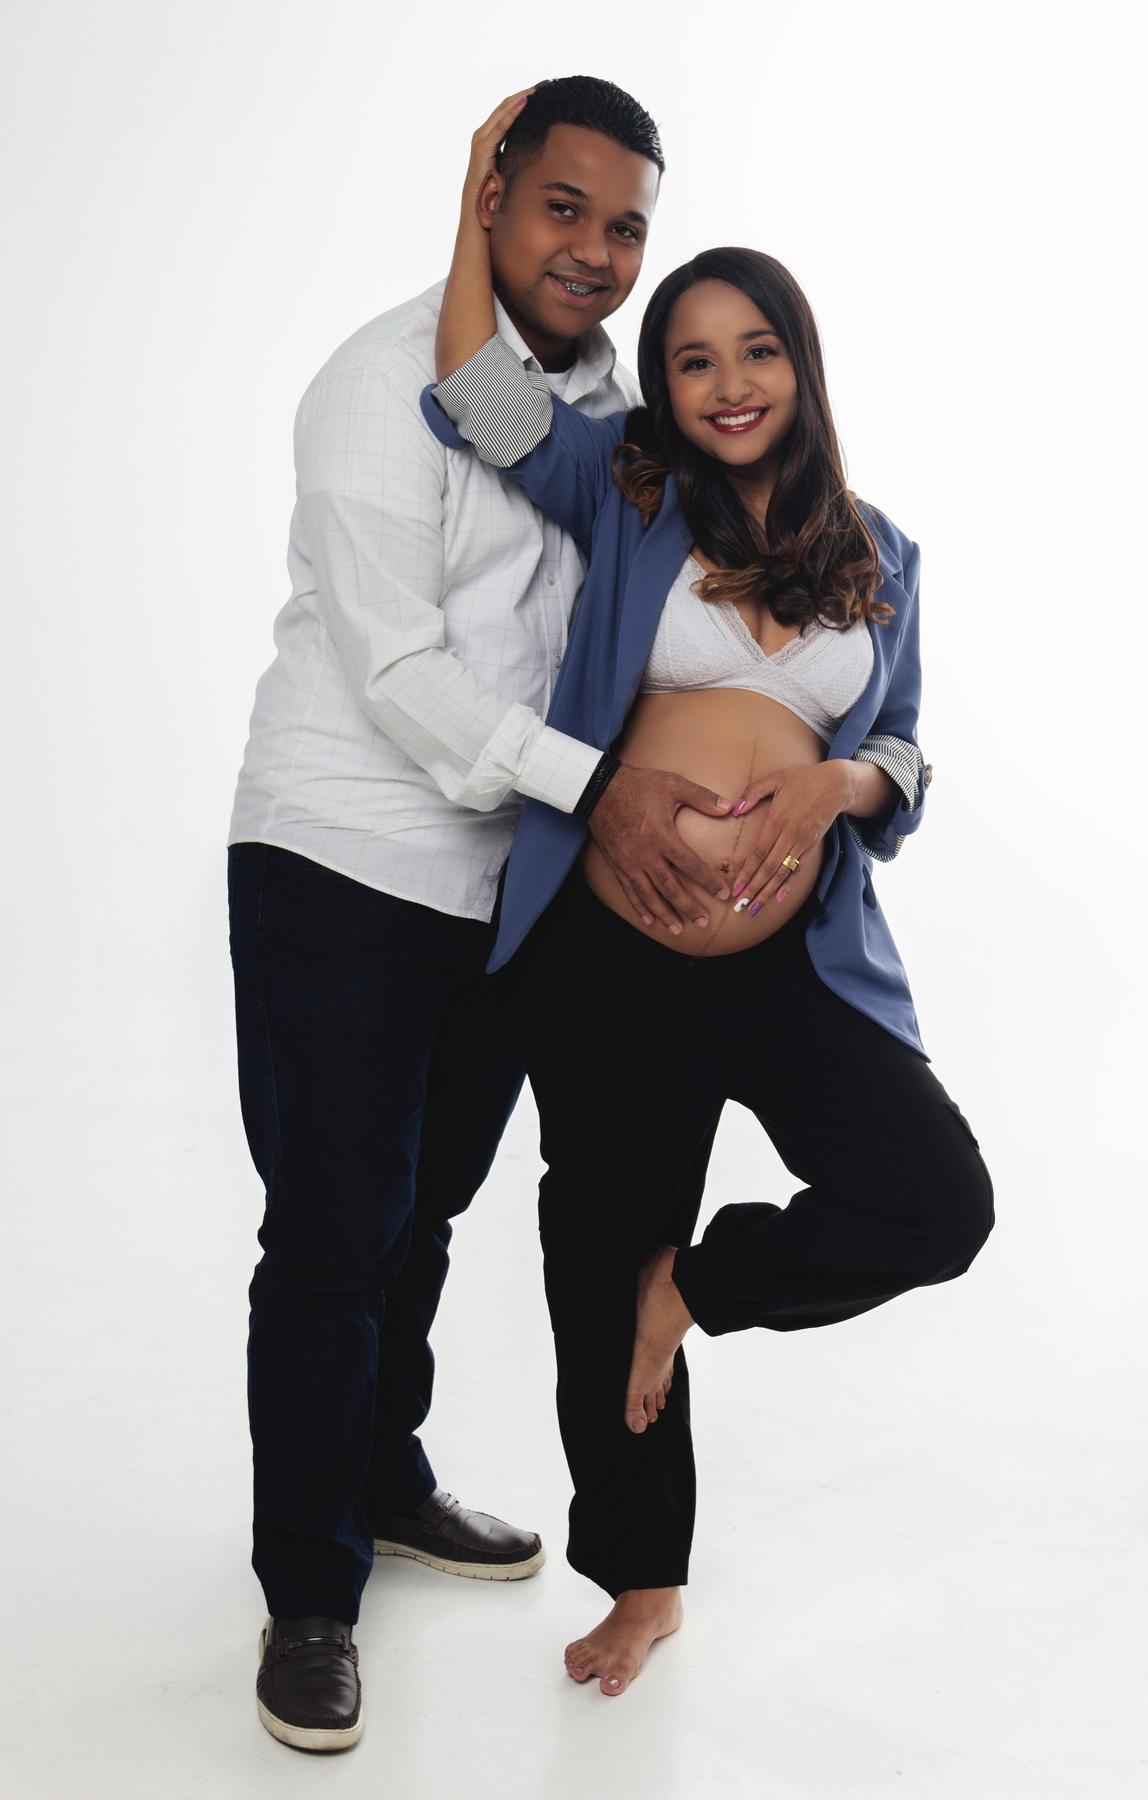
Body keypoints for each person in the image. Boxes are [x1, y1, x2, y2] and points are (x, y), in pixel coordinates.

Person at [423, 109, 996, 1700]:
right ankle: (645, 1579)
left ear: (800, 366)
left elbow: (906, 748)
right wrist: (478, 199)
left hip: (792, 962)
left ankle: (696, 1286)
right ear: (661, 389)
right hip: (610, 957)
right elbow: (477, 395)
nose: (728, 382)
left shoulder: (881, 553)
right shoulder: (629, 495)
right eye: (691, 359)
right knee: (593, 1259)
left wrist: (845, 785)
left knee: (934, 1200)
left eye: (757, 351)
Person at [226, 78, 740, 1753]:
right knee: (334, 1233)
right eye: (561, 208)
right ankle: (309, 1595)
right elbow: (398, 671)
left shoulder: (611, 416)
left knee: (426, 1212)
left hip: (507, 887)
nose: (593, 250)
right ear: (492, 199)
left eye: (625, 226)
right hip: (344, 860)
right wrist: (603, 795)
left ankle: (382, 1483)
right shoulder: (379, 382)